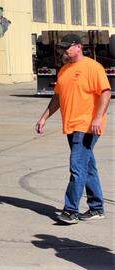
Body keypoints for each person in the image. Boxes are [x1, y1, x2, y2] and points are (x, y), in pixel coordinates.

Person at [36, 33, 111, 224]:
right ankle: (96, 208)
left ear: (78, 47)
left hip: (86, 126)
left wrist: (97, 118)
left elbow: (106, 93)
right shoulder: (64, 70)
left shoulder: (93, 67)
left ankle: (70, 210)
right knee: (88, 167)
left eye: (67, 47)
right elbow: (58, 98)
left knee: (77, 166)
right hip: (71, 125)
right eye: (63, 47)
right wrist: (44, 117)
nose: (64, 50)